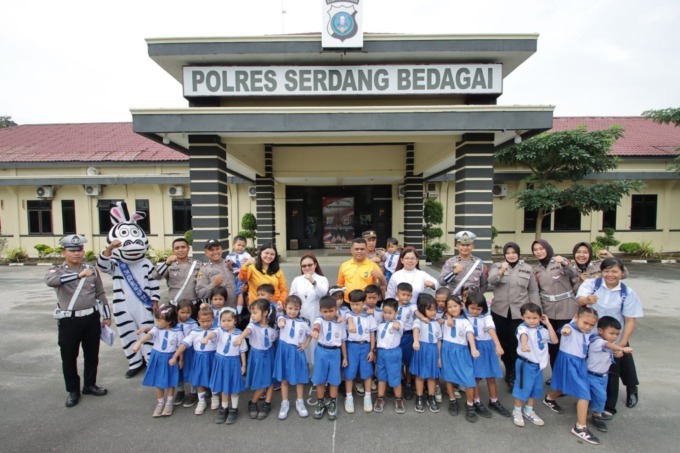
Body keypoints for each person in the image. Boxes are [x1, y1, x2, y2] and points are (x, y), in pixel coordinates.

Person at [45, 234, 111, 408]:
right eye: (72, 250)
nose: (77, 253)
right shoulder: (57, 270)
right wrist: (78, 276)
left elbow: (100, 293)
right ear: (63, 252)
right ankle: (72, 390)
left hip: (90, 319)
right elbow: (52, 282)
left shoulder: (91, 269)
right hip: (69, 321)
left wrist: (107, 315)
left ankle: (89, 385)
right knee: (69, 357)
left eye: (79, 249)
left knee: (92, 355)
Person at [98, 201, 160, 378]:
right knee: (127, 333)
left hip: (145, 304)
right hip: (122, 304)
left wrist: (155, 300)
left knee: (147, 332)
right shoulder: (117, 264)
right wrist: (109, 248)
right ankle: (134, 362)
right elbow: (102, 265)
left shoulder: (146, 263)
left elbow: (153, 282)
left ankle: (150, 361)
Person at [576, 257, 643, 414]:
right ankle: (588, 399)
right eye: (606, 271)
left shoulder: (627, 293)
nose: (610, 274)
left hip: (613, 337)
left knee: (612, 372)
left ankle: (608, 407)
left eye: (614, 271)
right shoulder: (592, 284)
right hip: (591, 338)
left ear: (622, 272)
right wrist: (587, 299)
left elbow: (630, 320)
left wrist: (621, 343)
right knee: (590, 369)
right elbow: (580, 300)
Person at [544, 307, 600, 445]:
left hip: (580, 362)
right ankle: (580, 427)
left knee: (565, 386)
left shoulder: (588, 331)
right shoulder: (569, 326)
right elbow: (565, 330)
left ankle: (549, 398)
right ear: (576, 317)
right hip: (568, 361)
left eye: (591, 325)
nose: (588, 327)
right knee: (584, 393)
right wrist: (566, 330)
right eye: (585, 323)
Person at [488, 242, 540, 390]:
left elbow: (533, 291)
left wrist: (537, 311)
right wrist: (501, 271)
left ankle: (515, 373)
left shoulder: (527, 269)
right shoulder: (497, 266)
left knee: (516, 343)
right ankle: (509, 369)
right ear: (504, 254)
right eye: (508, 252)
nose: (511, 255)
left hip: (519, 312)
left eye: (514, 252)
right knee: (503, 342)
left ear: (518, 253)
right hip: (500, 311)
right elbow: (490, 281)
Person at [531, 239, 579, 371]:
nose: (539, 252)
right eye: (536, 250)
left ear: (548, 248)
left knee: (568, 345)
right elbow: (537, 291)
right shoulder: (536, 270)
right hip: (549, 310)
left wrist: (564, 263)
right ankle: (556, 377)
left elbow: (574, 275)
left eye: (541, 248)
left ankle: (569, 377)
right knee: (553, 346)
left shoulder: (559, 262)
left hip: (567, 308)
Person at [466, 291, 512, 419]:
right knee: (475, 377)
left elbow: (491, 330)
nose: (475, 311)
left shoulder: (486, 317)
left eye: (478, 308)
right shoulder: (465, 316)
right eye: (472, 308)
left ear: (483, 307)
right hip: (474, 348)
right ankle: (476, 401)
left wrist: (497, 345)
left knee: (491, 376)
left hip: (487, 347)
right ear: (467, 306)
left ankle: (493, 400)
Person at [512, 303, 558, 428]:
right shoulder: (522, 328)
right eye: (528, 318)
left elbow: (554, 340)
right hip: (526, 364)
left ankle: (529, 410)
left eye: (535, 318)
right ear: (522, 317)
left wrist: (548, 324)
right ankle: (517, 411)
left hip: (539, 366)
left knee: (534, 389)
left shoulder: (542, 330)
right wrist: (524, 345)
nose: (532, 321)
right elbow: (523, 336)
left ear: (540, 318)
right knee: (522, 388)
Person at [134, 304, 183, 417]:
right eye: (157, 320)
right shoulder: (157, 329)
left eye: (160, 320)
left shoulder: (177, 332)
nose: (157, 322)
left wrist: (181, 360)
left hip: (170, 357)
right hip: (157, 356)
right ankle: (160, 402)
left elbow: (181, 347)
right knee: (157, 380)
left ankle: (169, 402)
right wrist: (139, 343)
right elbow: (149, 336)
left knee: (170, 380)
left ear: (169, 321)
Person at [587, 316, 634, 433]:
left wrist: (618, 354)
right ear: (600, 331)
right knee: (601, 396)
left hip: (603, 375)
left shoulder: (608, 343)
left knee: (599, 395)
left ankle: (594, 409)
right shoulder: (596, 341)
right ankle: (597, 416)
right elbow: (608, 346)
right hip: (593, 375)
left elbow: (610, 352)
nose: (614, 336)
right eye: (611, 333)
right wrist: (622, 348)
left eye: (617, 334)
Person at [234, 298, 279, 420]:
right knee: (262, 380)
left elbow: (275, 338)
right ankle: (253, 401)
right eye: (251, 313)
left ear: (264, 313)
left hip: (269, 353)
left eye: (255, 313)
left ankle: (267, 403)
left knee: (270, 379)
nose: (252, 316)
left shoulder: (273, 326)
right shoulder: (252, 325)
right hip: (257, 356)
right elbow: (247, 331)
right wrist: (240, 338)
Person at [203, 307, 247, 425]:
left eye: (229, 320)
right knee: (224, 387)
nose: (226, 323)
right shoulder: (219, 331)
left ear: (235, 321)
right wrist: (207, 337)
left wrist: (243, 365)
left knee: (233, 387)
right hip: (221, 362)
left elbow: (242, 351)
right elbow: (213, 334)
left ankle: (234, 409)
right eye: (223, 321)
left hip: (233, 363)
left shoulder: (240, 335)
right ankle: (224, 408)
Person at [440, 294, 479, 422]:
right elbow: (437, 320)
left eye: (455, 306)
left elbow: (470, 335)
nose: (452, 309)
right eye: (449, 307)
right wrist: (447, 316)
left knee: (468, 379)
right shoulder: (444, 320)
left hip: (461, 351)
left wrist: (473, 349)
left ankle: (470, 404)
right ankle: (452, 400)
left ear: (461, 306)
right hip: (447, 350)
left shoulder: (465, 322)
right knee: (449, 377)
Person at [172, 305, 216, 415]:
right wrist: (175, 356)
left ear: (213, 319)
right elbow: (184, 344)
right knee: (200, 379)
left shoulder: (217, 331)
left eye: (208, 321)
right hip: (199, 358)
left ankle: (215, 397)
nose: (205, 324)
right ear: (198, 320)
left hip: (213, 358)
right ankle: (201, 401)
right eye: (202, 321)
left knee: (214, 378)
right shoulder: (194, 332)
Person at [273, 295, 312, 420]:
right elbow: (280, 322)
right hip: (284, 351)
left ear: (300, 309)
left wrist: (305, 344)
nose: (292, 311)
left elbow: (310, 334)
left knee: (299, 378)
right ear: (285, 307)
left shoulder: (303, 323)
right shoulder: (281, 317)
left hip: (297, 352)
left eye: (296, 309)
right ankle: (285, 403)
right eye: (289, 308)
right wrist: (281, 321)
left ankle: (300, 401)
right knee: (284, 379)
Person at [310, 295, 348, 421]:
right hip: (321, 351)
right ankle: (320, 402)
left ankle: (332, 401)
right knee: (320, 379)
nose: (328, 314)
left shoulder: (340, 323)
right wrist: (315, 331)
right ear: (321, 311)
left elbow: (342, 341)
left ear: (336, 310)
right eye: (325, 311)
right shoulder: (319, 320)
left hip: (335, 353)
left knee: (334, 379)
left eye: (331, 311)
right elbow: (316, 326)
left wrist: (345, 358)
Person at [289, 253, 329, 366]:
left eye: (309, 265)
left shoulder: (321, 279)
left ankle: (316, 372)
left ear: (315, 265)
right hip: (300, 315)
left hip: (315, 314)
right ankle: (302, 369)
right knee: (301, 341)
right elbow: (291, 297)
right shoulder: (297, 279)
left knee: (314, 342)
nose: (307, 268)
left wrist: (312, 280)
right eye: (304, 266)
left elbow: (323, 294)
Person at [344, 289, 377, 414]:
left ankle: (367, 397)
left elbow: (372, 335)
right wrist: (351, 323)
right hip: (351, 346)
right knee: (349, 372)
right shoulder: (348, 315)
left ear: (364, 303)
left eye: (357, 304)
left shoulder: (369, 317)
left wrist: (372, 350)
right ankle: (349, 397)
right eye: (352, 304)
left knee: (367, 372)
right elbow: (348, 318)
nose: (354, 307)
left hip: (365, 346)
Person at [373, 298, 405, 414]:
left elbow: (398, 325)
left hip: (393, 353)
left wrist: (396, 322)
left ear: (396, 312)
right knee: (381, 376)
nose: (387, 315)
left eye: (390, 313)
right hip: (381, 353)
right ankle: (380, 397)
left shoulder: (399, 323)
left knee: (395, 376)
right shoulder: (380, 325)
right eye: (385, 312)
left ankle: (399, 398)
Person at [411, 293, 442, 413]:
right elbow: (416, 330)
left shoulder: (437, 323)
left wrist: (439, 357)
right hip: (421, 349)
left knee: (432, 376)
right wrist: (416, 341)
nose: (433, 312)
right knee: (419, 375)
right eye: (430, 310)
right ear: (422, 309)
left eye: (435, 309)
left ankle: (431, 396)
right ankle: (419, 396)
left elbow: (439, 340)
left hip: (433, 350)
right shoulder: (419, 321)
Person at [151, 237, 200, 306]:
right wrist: (166, 263)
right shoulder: (169, 265)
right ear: (173, 250)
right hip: (175, 305)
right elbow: (155, 276)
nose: (180, 250)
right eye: (177, 248)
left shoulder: (197, 264)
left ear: (188, 248)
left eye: (183, 247)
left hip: (194, 305)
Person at [239, 242, 288, 308]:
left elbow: (284, 290)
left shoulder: (278, 271)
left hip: (274, 306)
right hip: (256, 306)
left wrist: (281, 301)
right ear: (261, 253)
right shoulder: (252, 267)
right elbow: (242, 278)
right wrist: (246, 265)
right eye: (266, 253)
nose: (269, 256)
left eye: (272, 254)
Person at [438, 230, 488, 295]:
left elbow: (484, 284)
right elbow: (441, 282)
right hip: (455, 300)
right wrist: (454, 273)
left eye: (468, 245)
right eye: (462, 245)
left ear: (473, 246)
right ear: (457, 246)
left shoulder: (480, 263)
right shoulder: (450, 262)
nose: (465, 247)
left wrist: (477, 297)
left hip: (473, 301)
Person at [337, 237, 387, 302]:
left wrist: (380, 277)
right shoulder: (344, 266)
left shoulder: (373, 266)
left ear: (366, 250)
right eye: (356, 249)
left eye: (362, 249)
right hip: (348, 303)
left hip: (366, 303)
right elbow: (340, 286)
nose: (359, 251)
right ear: (351, 250)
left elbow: (383, 285)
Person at [195, 239, 237, 308]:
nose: (215, 252)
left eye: (217, 249)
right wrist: (214, 284)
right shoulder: (202, 270)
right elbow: (200, 293)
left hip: (239, 308)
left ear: (221, 249)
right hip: (222, 313)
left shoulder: (230, 263)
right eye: (211, 250)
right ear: (206, 252)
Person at [394, 282, 417, 399]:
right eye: (403, 294)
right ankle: (395, 384)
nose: (406, 297)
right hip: (394, 337)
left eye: (408, 295)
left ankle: (408, 384)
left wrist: (422, 316)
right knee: (396, 362)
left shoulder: (412, 306)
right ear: (397, 294)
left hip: (408, 337)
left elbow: (416, 312)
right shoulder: (392, 305)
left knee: (408, 362)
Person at [173, 299, 197, 407]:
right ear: (177, 311)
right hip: (176, 351)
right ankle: (180, 391)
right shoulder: (173, 323)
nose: (185, 315)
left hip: (189, 351)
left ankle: (193, 392)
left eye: (188, 312)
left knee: (191, 370)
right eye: (182, 312)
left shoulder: (193, 324)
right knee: (178, 370)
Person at [226, 236, 252, 309]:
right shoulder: (229, 256)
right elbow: (230, 269)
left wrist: (248, 261)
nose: (240, 247)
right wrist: (229, 265)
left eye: (243, 246)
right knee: (240, 292)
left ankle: (240, 311)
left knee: (240, 292)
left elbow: (251, 262)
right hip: (235, 275)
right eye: (239, 245)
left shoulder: (246, 255)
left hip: (243, 275)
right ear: (233, 245)